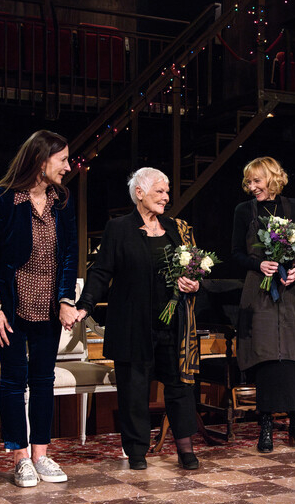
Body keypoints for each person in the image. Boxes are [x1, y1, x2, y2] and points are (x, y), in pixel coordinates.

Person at [75, 168, 202, 471]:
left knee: (180, 388)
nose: (166, 197)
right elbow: (102, 271)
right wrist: (85, 305)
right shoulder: (119, 228)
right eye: (160, 191)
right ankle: (136, 452)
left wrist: (195, 283)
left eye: (167, 191)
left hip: (173, 326)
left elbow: (195, 268)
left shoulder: (177, 229)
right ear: (140, 193)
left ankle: (185, 448)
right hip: (132, 325)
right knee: (134, 390)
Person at [0, 130, 78, 488]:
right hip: (11, 306)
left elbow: (69, 255)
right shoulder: (3, 199)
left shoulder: (61, 201)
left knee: (44, 380)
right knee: (14, 380)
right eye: (62, 159)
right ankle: (20, 457)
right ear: (40, 159)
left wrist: (66, 300)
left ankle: (41, 454)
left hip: (48, 306)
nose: (68, 166)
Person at [231, 157, 295, 453]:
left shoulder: (294, 207)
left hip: (288, 289)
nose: (251, 186)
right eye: (249, 182)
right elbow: (235, 253)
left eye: (257, 180)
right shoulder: (244, 210)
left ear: (272, 179)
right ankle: (266, 425)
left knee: (292, 354)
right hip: (259, 290)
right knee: (266, 355)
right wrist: (258, 264)